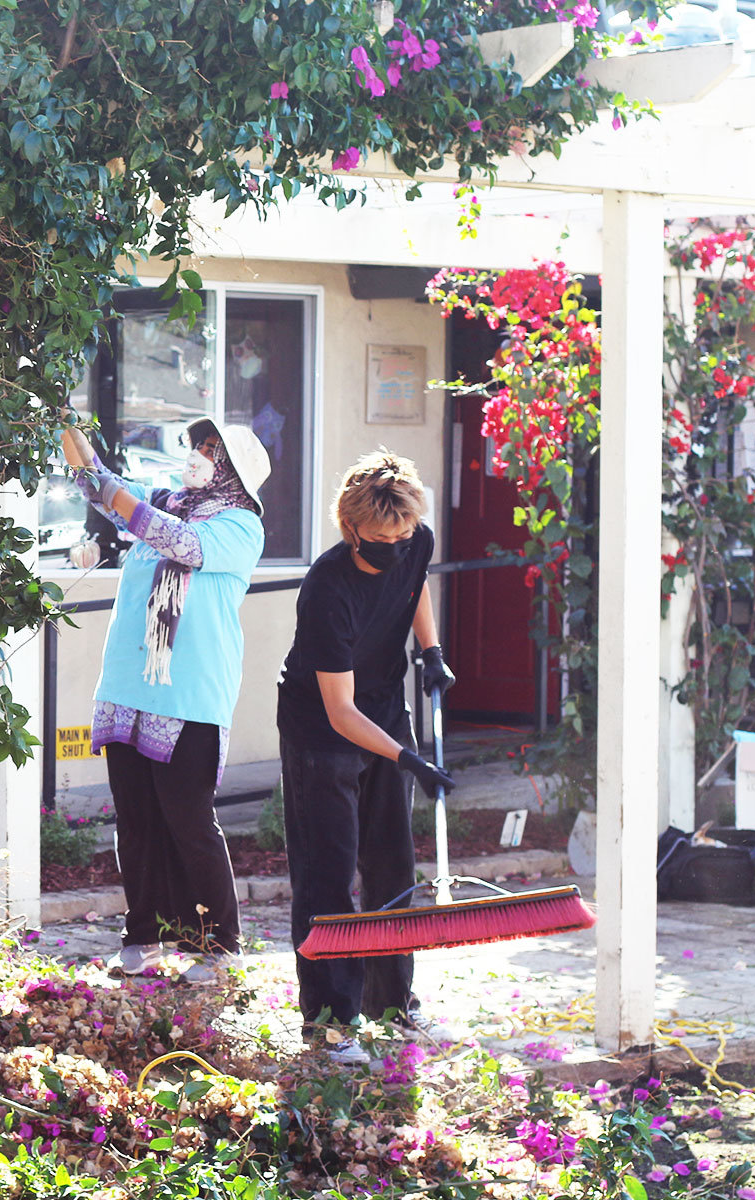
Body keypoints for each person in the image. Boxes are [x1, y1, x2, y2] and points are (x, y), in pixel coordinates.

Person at [62, 418, 270, 981]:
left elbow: (171, 538)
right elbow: (99, 486)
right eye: (197, 447)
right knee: (135, 821)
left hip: (190, 694)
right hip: (130, 686)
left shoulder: (240, 526)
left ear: (235, 470)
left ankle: (218, 946)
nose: (198, 457)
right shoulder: (165, 504)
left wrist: (112, 492)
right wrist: (67, 430)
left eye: (212, 451)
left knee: (188, 820)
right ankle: (142, 938)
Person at [278, 450, 458, 1066]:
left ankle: (393, 1004)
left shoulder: (414, 540)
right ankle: (328, 1024)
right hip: (322, 729)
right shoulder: (327, 589)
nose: (397, 545)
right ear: (353, 529)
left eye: (404, 535)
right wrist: (408, 760)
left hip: (383, 708)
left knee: (392, 864)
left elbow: (415, 586)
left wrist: (430, 649)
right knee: (327, 876)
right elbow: (339, 712)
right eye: (383, 538)